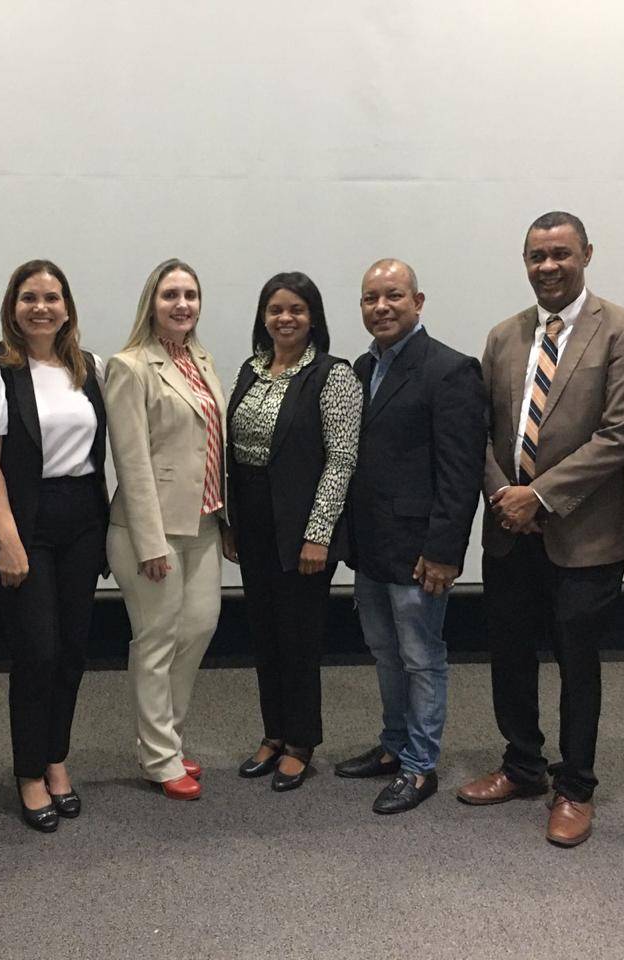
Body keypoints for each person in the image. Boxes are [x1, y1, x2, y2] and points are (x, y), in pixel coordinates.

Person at [457, 212, 624, 848]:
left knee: (577, 664)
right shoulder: (503, 335)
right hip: (509, 529)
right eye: (537, 256)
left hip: (584, 534)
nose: (548, 266)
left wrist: (538, 496)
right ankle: (522, 767)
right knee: (510, 654)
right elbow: (482, 430)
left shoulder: (623, 329)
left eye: (561, 254)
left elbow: (619, 435)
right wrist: (503, 496)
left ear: (586, 254)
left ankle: (575, 787)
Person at [0, 260, 109, 832]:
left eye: (51, 297)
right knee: (37, 651)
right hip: (24, 521)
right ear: (13, 306)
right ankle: (28, 772)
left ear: (67, 308)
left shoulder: (87, 368)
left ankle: (55, 758)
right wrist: (8, 540)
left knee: (71, 650)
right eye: (29, 297)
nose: (41, 307)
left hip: (83, 520)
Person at [335, 259, 486, 815]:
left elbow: (460, 472)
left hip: (421, 552)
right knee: (384, 652)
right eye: (370, 298)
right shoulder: (361, 368)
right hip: (372, 546)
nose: (381, 307)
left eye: (393, 295)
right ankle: (393, 746)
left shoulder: (450, 370)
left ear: (418, 302)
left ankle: (420, 766)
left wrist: (444, 552)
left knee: (421, 658)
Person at [225, 272, 362, 791]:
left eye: (297, 310)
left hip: (302, 526)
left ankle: (301, 741)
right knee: (263, 632)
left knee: (299, 638)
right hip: (255, 521)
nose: (285, 318)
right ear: (263, 317)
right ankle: (274, 733)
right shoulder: (251, 369)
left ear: (313, 318)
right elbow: (233, 453)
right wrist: (232, 522)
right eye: (276, 309)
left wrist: (319, 534)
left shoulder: (333, 375)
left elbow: (341, 460)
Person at [105, 258, 226, 801]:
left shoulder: (201, 359)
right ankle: (159, 757)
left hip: (203, 522)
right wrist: (149, 543)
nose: (182, 304)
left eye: (190, 295)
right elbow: (131, 462)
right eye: (170, 295)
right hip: (150, 531)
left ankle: (168, 741)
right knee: (156, 642)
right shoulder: (130, 366)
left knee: (198, 629)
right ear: (151, 303)